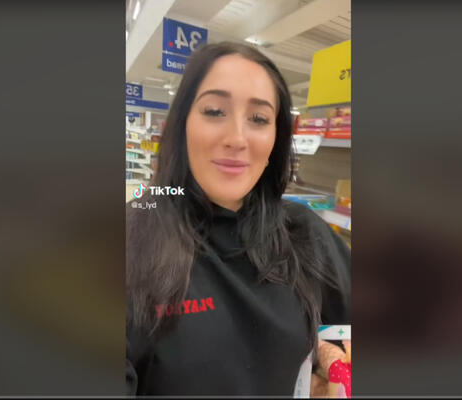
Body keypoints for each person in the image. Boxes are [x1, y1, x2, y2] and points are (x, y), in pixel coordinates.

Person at [126, 41, 351, 396]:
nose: (237, 138)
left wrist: (329, 357)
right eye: (215, 111)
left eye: (259, 119)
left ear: (276, 137)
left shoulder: (304, 233)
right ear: (182, 124)